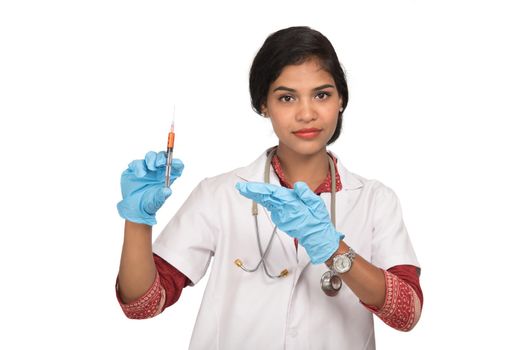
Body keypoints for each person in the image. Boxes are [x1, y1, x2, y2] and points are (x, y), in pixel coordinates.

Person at [116, 26, 423, 349]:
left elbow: (407, 314)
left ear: (341, 100)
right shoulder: (219, 195)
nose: (307, 113)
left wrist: (334, 250)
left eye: (322, 95)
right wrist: (137, 219)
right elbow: (142, 305)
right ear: (264, 104)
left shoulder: (375, 200)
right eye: (287, 97)